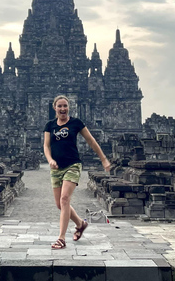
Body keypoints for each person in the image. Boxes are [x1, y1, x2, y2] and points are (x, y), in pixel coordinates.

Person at [43, 95, 111, 250]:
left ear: (69, 107)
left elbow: (91, 141)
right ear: (54, 108)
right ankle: (80, 224)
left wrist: (103, 159)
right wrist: (50, 160)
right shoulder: (50, 125)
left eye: (65, 106)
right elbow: (46, 146)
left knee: (65, 199)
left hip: (73, 165)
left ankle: (61, 238)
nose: (62, 109)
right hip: (56, 167)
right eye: (59, 106)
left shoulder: (76, 123)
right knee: (60, 204)